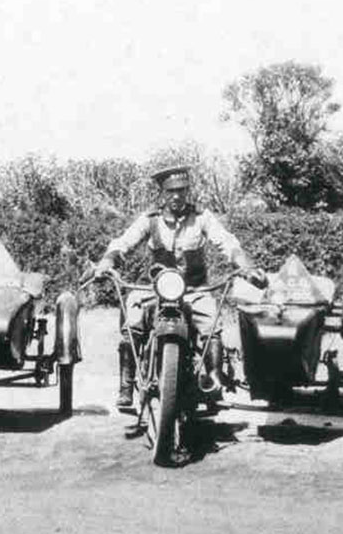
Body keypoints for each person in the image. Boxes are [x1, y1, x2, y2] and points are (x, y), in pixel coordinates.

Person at [92, 165, 265, 408]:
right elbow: (124, 243)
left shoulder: (202, 218)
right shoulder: (149, 220)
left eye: (182, 190)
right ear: (162, 193)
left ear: (188, 191)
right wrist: (107, 262)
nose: (177, 196)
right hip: (154, 290)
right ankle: (127, 385)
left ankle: (213, 380)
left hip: (194, 291)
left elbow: (227, 242)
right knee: (132, 322)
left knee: (211, 324)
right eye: (171, 191)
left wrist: (246, 266)